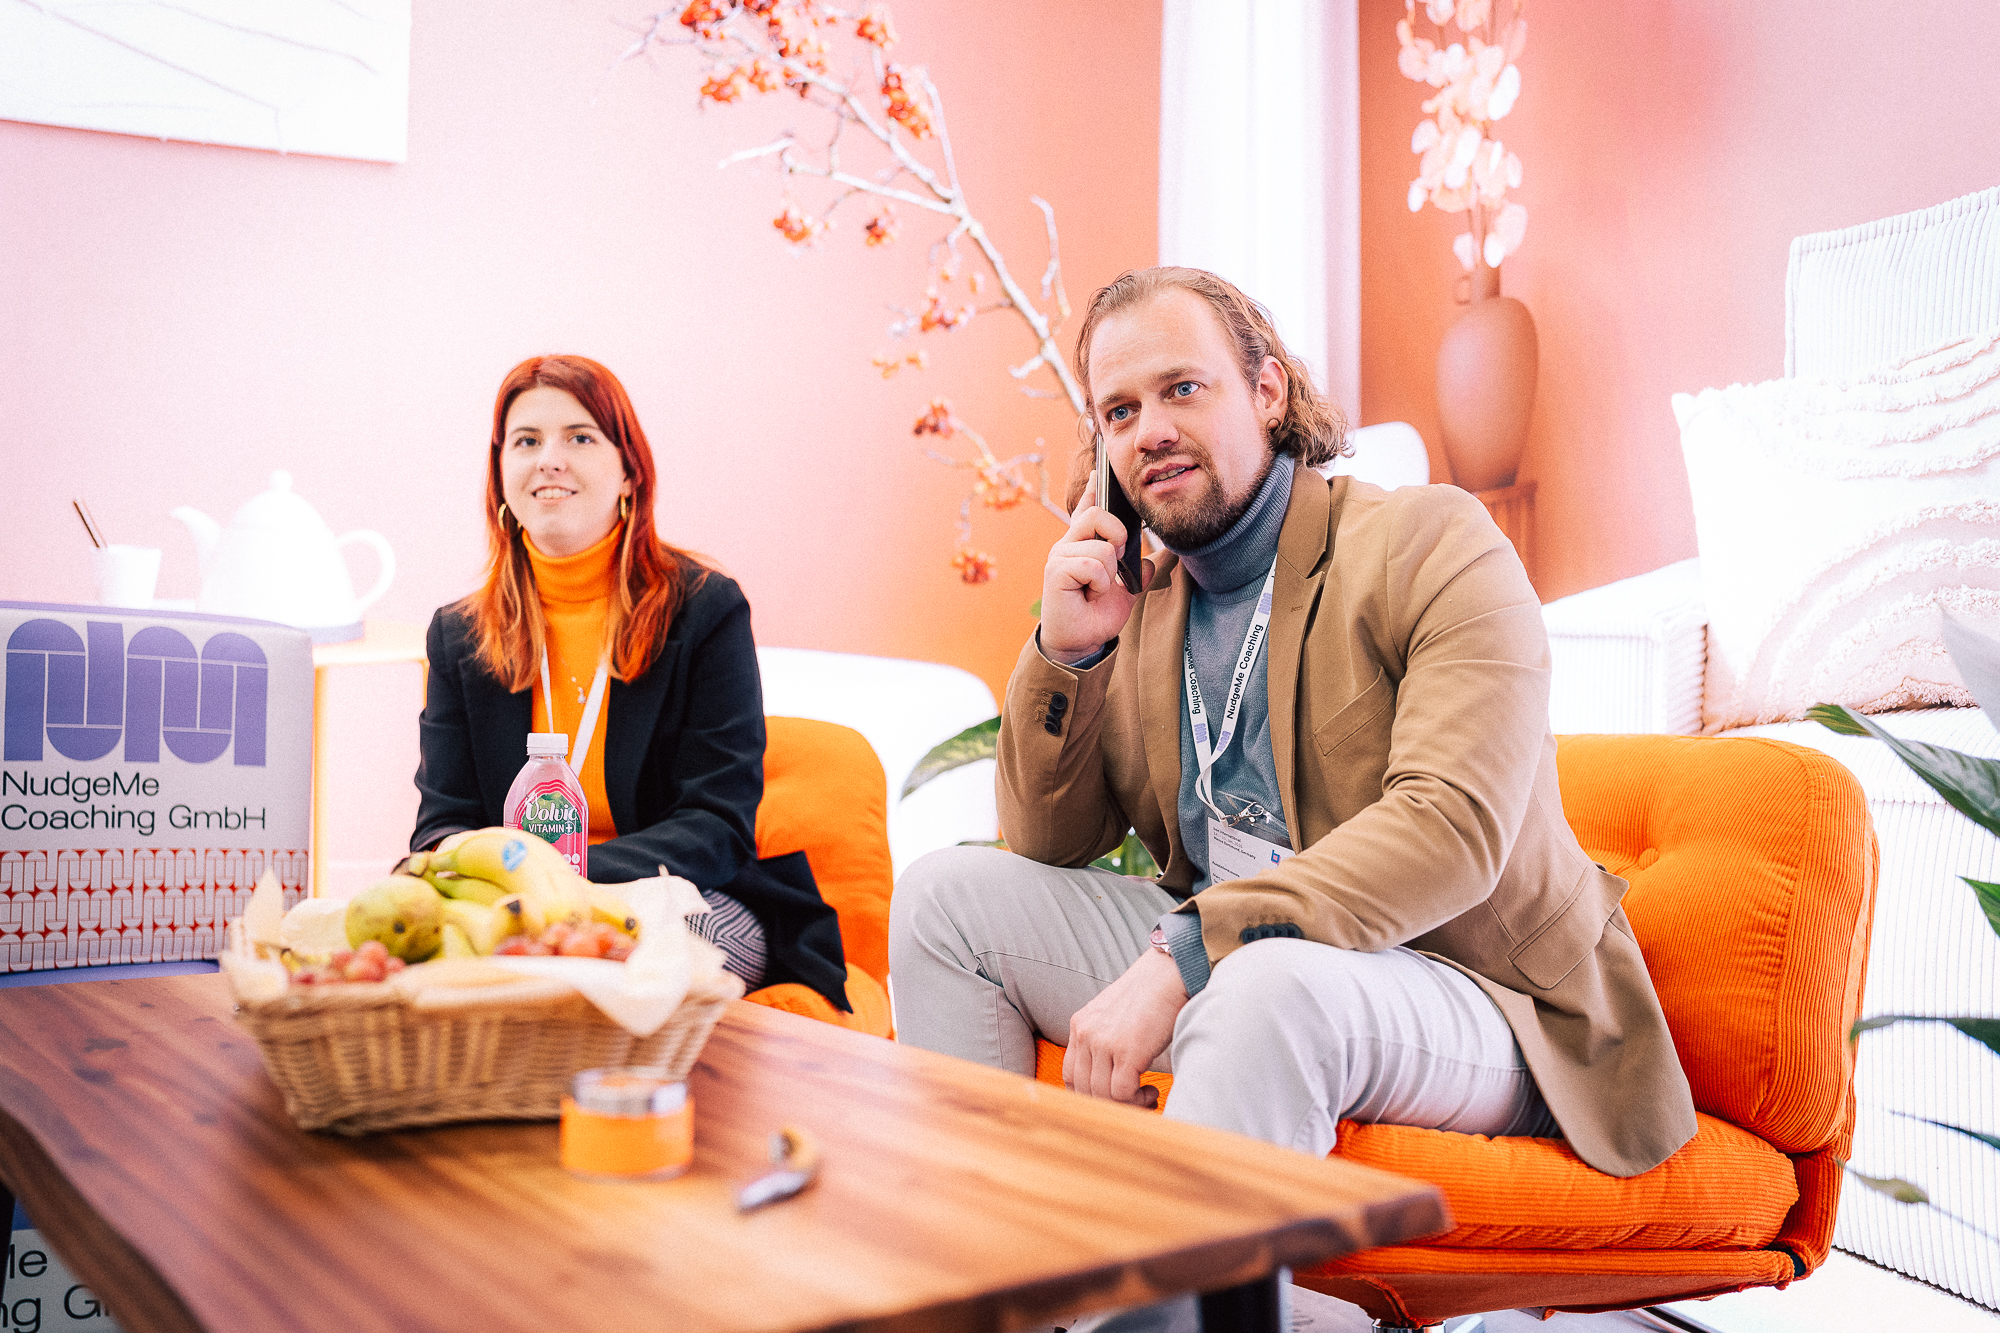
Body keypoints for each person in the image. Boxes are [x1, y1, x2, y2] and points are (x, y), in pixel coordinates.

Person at [889, 267, 1695, 1184]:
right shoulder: (1144, 609)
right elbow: (1047, 837)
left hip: (1480, 991)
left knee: (1262, 986)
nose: (1149, 430)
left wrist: (1187, 952)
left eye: (1181, 388)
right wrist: (1066, 653)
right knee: (941, 899)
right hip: (1257, 955)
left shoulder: (1431, 541)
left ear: (1267, 391)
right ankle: (1008, 1293)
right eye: (1117, 412)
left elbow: (1451, 828)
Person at [412, 354, 848, 1010]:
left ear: (628, 472)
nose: (548, 458)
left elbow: (718, 825)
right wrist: (506, 893)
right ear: (501, 474)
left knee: (621, 959)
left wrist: (563, 878)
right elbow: (443, 824)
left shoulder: (704, 609)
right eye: (526, 441)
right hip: (516, 902)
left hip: (687, 894)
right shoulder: (458, 634)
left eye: (580, 437)